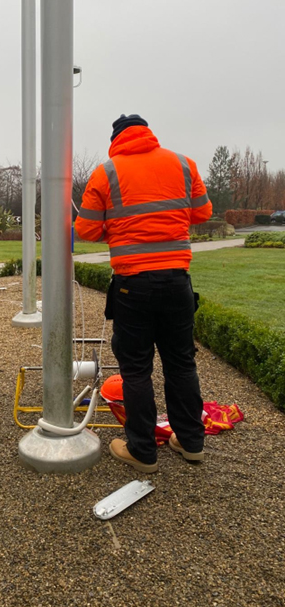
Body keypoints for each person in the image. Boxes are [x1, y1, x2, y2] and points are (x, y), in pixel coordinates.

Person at [74, 114, 212, 473]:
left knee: (135, 369)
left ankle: (142, 450)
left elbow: (86, 229)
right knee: (181, 362)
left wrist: (118, 228)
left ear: (116, 139)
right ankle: (191, 443)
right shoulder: (184, 164)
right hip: (178, 281)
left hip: (133, 284)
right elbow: (202, 212)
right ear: (148, 134)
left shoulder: (107, 173)